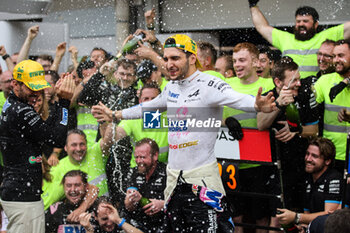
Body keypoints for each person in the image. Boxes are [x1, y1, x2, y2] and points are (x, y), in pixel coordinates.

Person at [92, 34, 275, 232]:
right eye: (167, 58)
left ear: (192, 58)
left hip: (201, 179)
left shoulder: (209, 83)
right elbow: (150, 106)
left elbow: (237, 99)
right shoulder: (172, 86)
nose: (169, 64)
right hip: (173, 180)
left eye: (175, 58)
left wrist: (256, 104)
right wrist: (116, 114)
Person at [0, 60, 75, 233]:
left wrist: (57, 101)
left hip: (20, 192)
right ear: (14, 84)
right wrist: (64, 102)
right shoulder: (21, 111)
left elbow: (45, 129)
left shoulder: (14, 104)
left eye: (38, 88)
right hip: (22, 196)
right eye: (30, 88)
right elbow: (56, 139)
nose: (36, 93)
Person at [257, 57, 319, 221]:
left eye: (299, 78)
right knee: (277, 219)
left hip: (301, 165)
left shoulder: (306, 95)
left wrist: (296, 131)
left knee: (299, 216)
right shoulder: (268, 97)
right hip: (275, 168)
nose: (299, 83)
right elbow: (261, 124)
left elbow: (315, 130)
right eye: (294, 80)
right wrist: (278, 104)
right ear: (278, 82)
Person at [224, 42, 275, 233]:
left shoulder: (269, 85)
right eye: (235, 60)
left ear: (255, 62)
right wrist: (226, 121)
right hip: (231, 164)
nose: (237, 64)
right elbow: (211, 116)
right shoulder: (226, 85)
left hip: (259, 163)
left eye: (242, 60)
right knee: (236, 217)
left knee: (261, 217)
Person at [248, 0, 350, 79]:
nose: (301, 24)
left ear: (316, 24)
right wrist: (253, 5)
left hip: (317, 94)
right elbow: (262, 27)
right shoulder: (285, 38)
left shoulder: (326, 37)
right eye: (298, 21)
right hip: (290, 95)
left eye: (305, 21)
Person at [106, 83, 168, 205]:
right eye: (146, 99)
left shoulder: (170, 116)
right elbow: (113, 137)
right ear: (140, 101)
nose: (149, 104)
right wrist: (107, 121)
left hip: (164, 171)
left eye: (154, 100)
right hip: (138, 171)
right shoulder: (133, 116)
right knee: (130, 205)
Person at [42, 127, 114, 210]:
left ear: (87, 145)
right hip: (74, 217)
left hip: (103, 212)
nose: (78, 149)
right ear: (65, 147)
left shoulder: (96, 153)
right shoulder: (57, 168)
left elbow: (109, 140)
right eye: (74, 145)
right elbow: (51, 198)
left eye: (82, 144)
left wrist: (104, 121)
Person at [277, 138, 342, 227]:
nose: (308, 159)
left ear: (327, 161)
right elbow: (307, 213)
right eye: (307, 154)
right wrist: (303, 226)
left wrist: (296, 217)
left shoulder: (334, 178)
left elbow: (329, 216)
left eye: (314, 156)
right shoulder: (308, 178)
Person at [314, 39, 350, 173]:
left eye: (341, 56)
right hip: (331, 154)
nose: (336, 60)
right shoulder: (324, 80)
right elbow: (308, 105)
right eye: (334, 56)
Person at [124, 138, 166, 233]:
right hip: (138, 226)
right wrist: (130, 201)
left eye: (142, 157)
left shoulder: (167, 173)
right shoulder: (132, 173)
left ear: (155, 155)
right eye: (136, 157)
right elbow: (128, 207)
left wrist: (163, 204)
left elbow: (179, 202)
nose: (139, 161)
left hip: (163, 225)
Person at [79, 196, 143, 233]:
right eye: (104, 219)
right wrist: (89, 230)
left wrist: (118, 221)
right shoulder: (91, 224)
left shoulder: (122, 219)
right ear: (95, 216)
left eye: (112, 217)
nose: (109, 223)